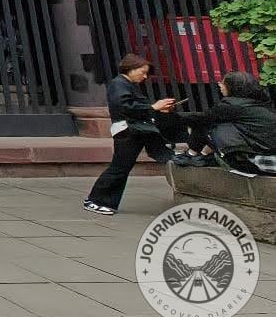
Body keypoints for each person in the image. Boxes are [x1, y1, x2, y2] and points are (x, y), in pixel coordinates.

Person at [83, 54, 175, 216]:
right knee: (119, 167)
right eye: (142, 72)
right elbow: (125, 106)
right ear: (131, 69)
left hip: (132, 130)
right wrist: (153, 107)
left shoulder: (125, 84)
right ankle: (95, 199)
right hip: (127, 130)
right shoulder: (119, 84)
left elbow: (135, 106)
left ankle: (105, 201)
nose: (144, 76)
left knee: (122, 167)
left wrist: (156, 108)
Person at [172, 71, 276, 172]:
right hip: (266, 152)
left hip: (250, 161)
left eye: (222, 82)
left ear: (232, 87)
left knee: (205, 124)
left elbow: (201, 118)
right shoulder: (262, 102)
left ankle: (191, 155)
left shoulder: (231, 105)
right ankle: (199, 155)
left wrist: (169, 115)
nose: (219, 85)